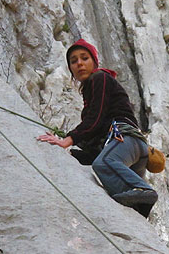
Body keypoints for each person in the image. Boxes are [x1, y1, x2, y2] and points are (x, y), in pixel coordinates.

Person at [37, 39, 158, 216]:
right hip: (130, 149)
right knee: (131, 205)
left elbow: (95, 119)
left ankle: (143, 189)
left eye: (84, 58)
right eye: (73, 61)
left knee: (103, 164)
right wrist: (71, 155)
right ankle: (138, 209)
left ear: (94, 61)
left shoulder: (99, 78)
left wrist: (66, 141)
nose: (79, 63)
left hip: (124, 138)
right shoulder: (94, 87)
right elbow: (95, 146)